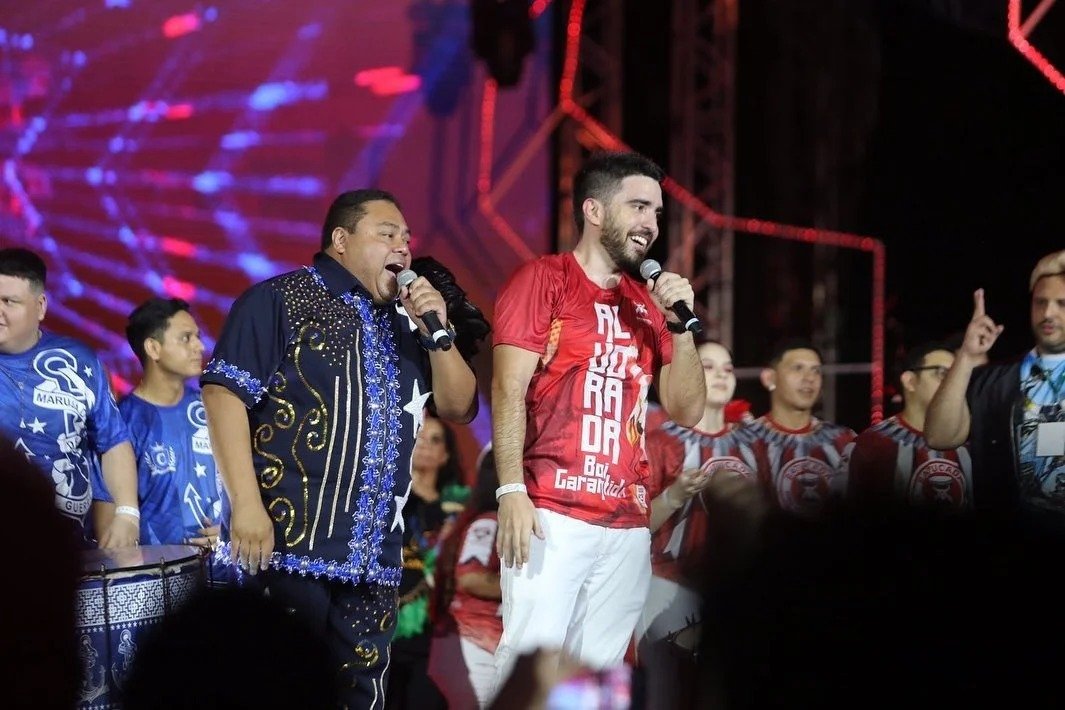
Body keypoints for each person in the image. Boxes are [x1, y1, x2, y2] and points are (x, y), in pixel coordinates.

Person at [200, 189, 478, 709]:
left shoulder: (408, 324)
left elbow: (460, 407)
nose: (403, 246)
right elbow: (222, 395)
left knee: (360, 699)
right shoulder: (281, 299)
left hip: (374, 564)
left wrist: (437, 333)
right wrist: (246, 506)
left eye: (406, 238)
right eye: (387, 234)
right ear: (341, 240)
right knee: (276, 693)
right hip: (285, 552)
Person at [490, 151, 706, 685]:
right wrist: (510, 489)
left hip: (627, 522)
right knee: (530, 671)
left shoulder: (650, 304)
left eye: (656, 213)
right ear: (594, 210)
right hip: (551, 510)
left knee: (601, 679)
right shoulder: (545, 278)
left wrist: (681, 329)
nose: (650, 224)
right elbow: (508, 387)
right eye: (638, 207)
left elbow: (686, 408)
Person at [637, 340, 757, 710]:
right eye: (708, 366)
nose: (720, 375)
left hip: (735, 590)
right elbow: (635, 524)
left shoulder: (755, 442)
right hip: (668, 583)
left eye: (727, 368)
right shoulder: (659, 442)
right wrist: (674, 495)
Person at [0, 247, 138, 548]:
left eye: (9, 301)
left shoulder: (79, 361)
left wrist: (127, 514)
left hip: (69, 549)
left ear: (40, 306)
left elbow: (113, 441)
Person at [926, 250, 1065, 520]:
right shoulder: (994, 381)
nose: (1048, 313)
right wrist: (966, 357)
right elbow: (939, 437)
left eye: (1061, 303)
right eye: (1040, 302)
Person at [95, 299, 227, 577]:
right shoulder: (120, 424)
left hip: (224, 578)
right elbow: (110, 529)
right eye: (186, 338)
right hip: (160, 582)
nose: (200, 346)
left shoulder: (214, 408)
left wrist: (232, 527)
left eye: (198, 337)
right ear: (153, 348)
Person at [387, 413, 465, 710]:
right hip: (382, 619)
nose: (425, 445)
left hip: (432, 631)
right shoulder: (387, 499)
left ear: (446, 455)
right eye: (419, 437)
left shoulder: (457, 511)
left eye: (435, 440)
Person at [849, 342, 973, 509]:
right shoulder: (870, 446)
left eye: (957, 376)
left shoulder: (974, 443)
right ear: (910, 381)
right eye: (942, 373)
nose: (953, 384)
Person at [430, 444, 504, 709]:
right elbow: (470, 578)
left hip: (480, 645)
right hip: (471, 646)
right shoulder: (488, 523)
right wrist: (532, 588)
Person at [745, 339, 856, 516]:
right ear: (769, 378)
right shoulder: (745, 442)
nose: (810, 378)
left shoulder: (844, 440)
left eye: (816, 371)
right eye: (798, 368)